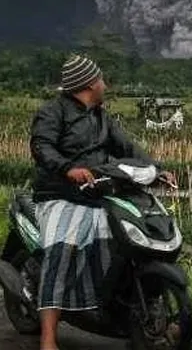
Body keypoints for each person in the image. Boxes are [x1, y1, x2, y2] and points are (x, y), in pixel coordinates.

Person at [28, 53, 175, 350]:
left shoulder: (102, 118)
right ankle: (48, 338)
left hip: (98, 193)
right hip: (59, 194)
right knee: (62, 250)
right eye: (101, 79)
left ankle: (123, 311)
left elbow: (128, 147)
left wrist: (157, 170)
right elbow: (41, 145)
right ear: (88, 85)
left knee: (123, 246)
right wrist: (68, 169)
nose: (105, 84)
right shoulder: (53, 113)